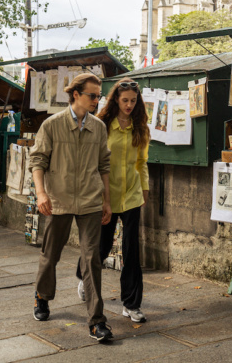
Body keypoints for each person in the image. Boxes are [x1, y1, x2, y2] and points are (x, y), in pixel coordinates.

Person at [30, 73, 114, 343]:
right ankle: (42, 297)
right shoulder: (52, 125)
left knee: (92, 259)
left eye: (98, 96)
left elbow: (104, 166)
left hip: (90, 200)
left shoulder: (98, 127)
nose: (96, 100)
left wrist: (107, 201)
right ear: (76, 94)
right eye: (92, 95)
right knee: (50, 254)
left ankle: (96, 321)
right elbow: (38, 161)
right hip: (59, 200)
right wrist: (41, 193)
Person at [75, 78, 149, 324]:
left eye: (133, 101)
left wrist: (145, 189)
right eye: (125, 100)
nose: (129, 105)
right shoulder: (102, 125)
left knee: (132, 251)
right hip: (105, 195)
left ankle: (132, 304)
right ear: (115, 99)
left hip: (132, 195)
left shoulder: (140, 127)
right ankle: (83, 276)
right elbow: (93, 161)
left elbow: (142, 163)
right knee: (101, 244)